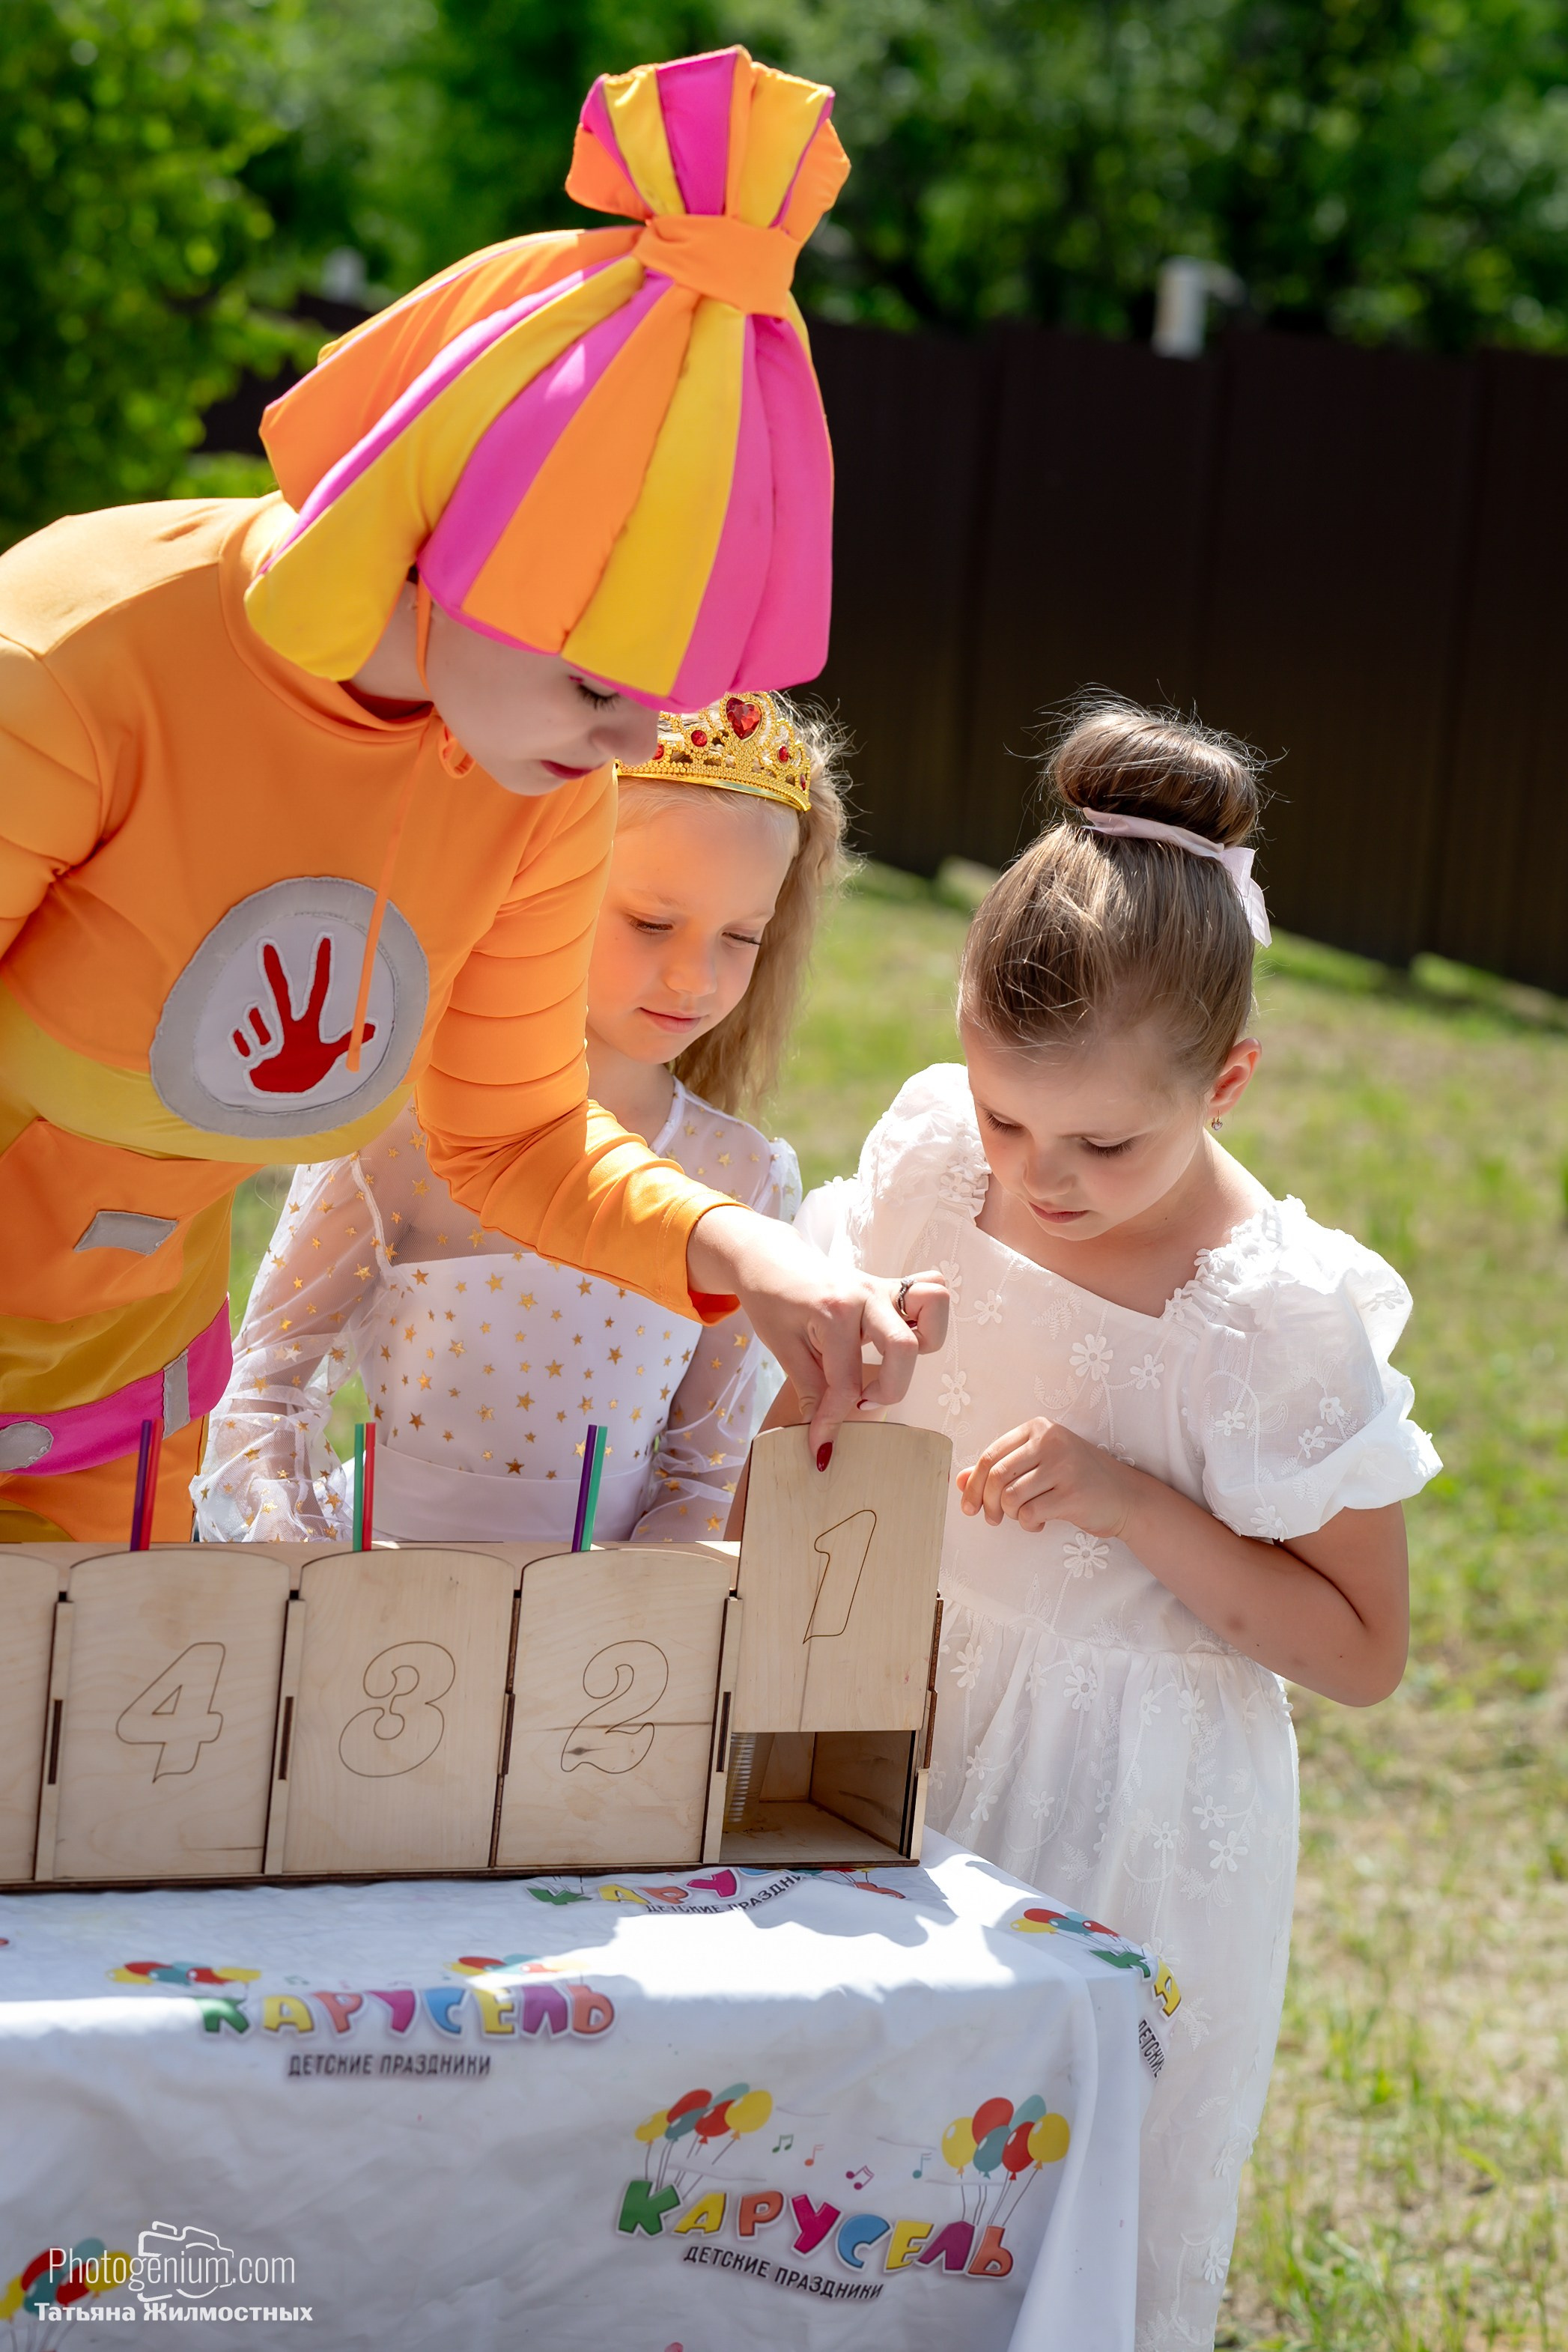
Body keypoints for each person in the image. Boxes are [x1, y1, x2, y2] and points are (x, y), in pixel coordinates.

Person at [0, 46, 935, 1544]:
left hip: (115, 1414)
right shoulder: (68, 665)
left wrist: (747, 1251)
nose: (630, 744)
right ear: (437, 534)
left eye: (663, 696)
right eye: (595, 681)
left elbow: (510, 1139)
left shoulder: (535, 772)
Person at [770, 701, 1441, 2345]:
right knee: (819, 2167)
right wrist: (844, 1369)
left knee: (1032, 2209)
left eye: (1104, 1142)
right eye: (1012, 1116)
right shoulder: (939, 1154)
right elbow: (807, 1416)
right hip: (887, 1704)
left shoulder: (1274, 1313)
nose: (1039, 1174)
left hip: (1124, 1804)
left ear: (1230, 1079)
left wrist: (1135, 1498)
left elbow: (1361, 1650)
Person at [195, 690, 844, 1546]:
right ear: (542, 884)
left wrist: (614, 1623)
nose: (696, 978)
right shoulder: (405, 1131)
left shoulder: (742, 1176)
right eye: (652, 923)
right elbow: (264, 1387)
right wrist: (313, 1573)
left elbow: (704, 1468)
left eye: (742, 936)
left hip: (594, 1650)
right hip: (382, 1617)